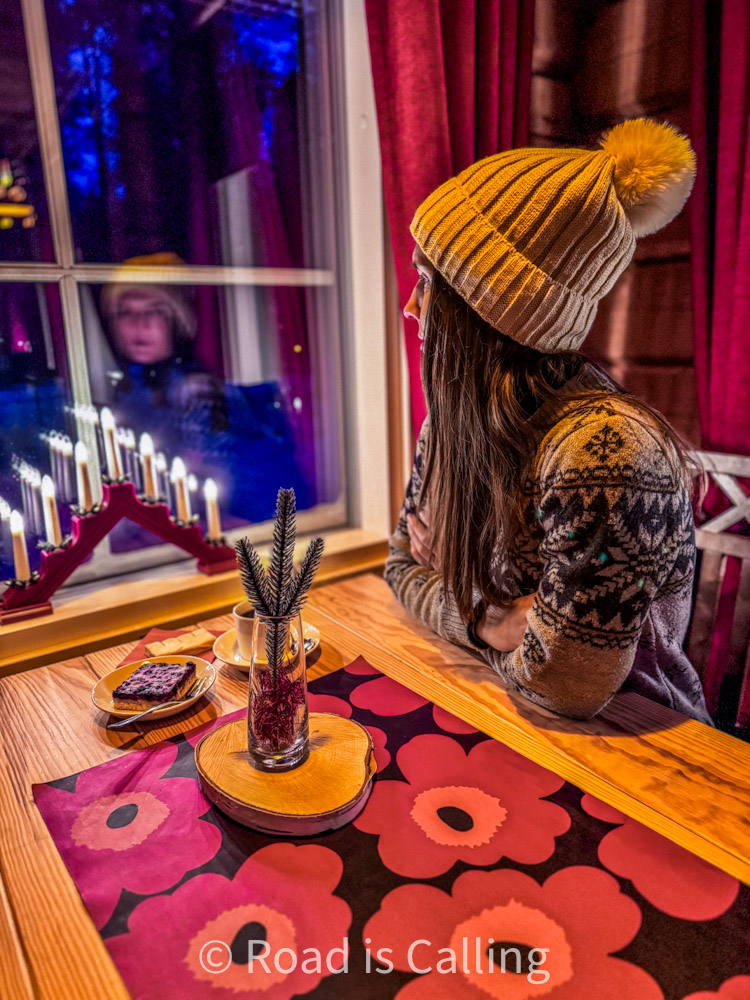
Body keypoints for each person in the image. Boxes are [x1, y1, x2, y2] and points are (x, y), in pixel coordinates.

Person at [385, 118, 713, 725]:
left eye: (427, 284)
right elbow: (399, 567)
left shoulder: (604, 453)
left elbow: (564, 684)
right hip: (502, 709)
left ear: (488, 309)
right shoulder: (450, 432)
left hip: (642, 746)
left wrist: (469, 605)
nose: (411, 307)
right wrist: (499, 619)